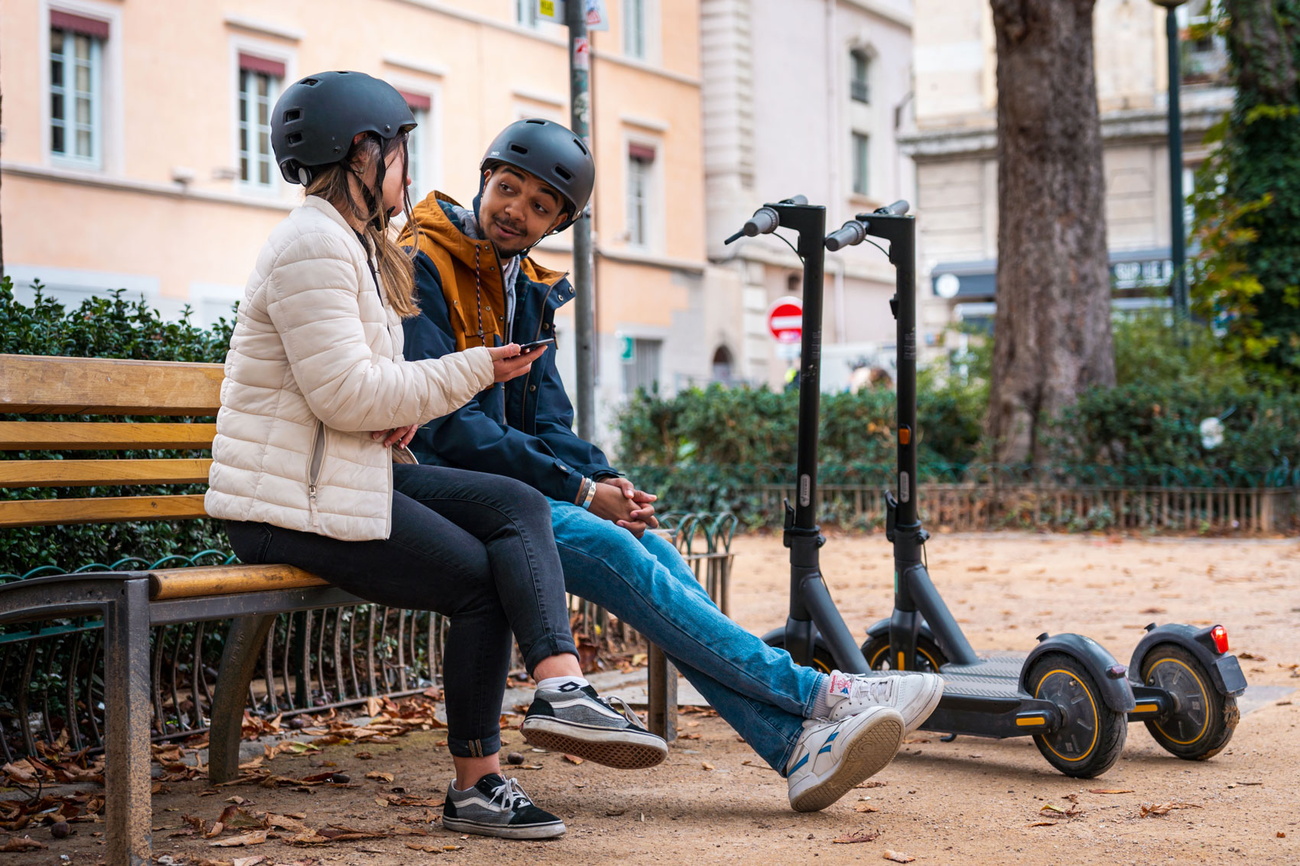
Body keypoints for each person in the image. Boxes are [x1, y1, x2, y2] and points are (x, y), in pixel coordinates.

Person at [399, 118, 944, 813]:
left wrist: (609, 482)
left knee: (648, 543)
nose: (517, 211)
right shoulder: (424, 260)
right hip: (451, 495)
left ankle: (794, 748)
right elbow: (446, 425)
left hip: (513, 490)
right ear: (485, 179)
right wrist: (578, 491)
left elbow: (547, 422)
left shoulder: (528, 288)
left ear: (559, 221)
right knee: (606, 543)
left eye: (540, 205)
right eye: (509, 189)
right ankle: (819, 693)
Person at [205, 73, 667, 841]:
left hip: (338, 479)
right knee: (482, 584)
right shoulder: (312, 242)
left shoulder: (357, 246)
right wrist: (469, 371)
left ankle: (560, 690)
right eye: (398, 153)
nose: (407, 171)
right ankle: (478, 783)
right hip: (284, 503)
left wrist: (402, 407)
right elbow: (352, 396)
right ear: (362, 152)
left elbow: (366, 387)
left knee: (514, 506)